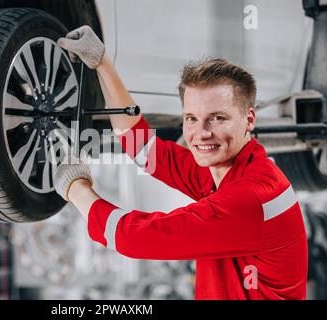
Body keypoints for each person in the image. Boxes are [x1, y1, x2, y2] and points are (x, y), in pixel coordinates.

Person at [53, 25, 308, 300]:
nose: (201, 134)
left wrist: (76, 187)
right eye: (191, 118)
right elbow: (146, 151)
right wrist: (102, 63)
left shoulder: (250, 199)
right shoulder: (230, 170)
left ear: (249, 120)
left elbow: (133, 238)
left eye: (217, 118)